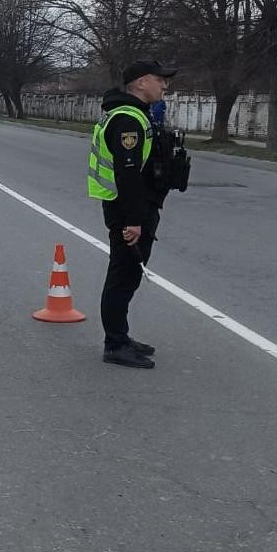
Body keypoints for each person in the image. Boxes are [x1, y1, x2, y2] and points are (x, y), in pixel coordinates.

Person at [87, 59, 177, 369]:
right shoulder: (127, 119)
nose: (164, 85)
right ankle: (115, 344)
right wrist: (134, 220)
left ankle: (121, 335)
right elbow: (127, 175)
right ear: (140, 82)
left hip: (131, 206)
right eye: (159, 79)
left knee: (129, 274)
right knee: (123, 275)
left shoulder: (134, 113)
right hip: (126, 208)